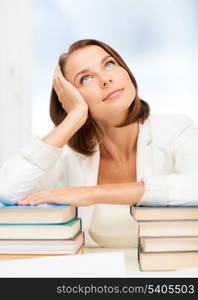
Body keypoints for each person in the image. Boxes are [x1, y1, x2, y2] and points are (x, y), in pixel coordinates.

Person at [0, 39, 198, 248]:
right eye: (85, 78)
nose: (105, 79)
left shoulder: (176, 129)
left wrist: (91, 194)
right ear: (70, 97)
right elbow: (7, 190)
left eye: (109, 64)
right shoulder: (69, 154)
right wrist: (73, 118)